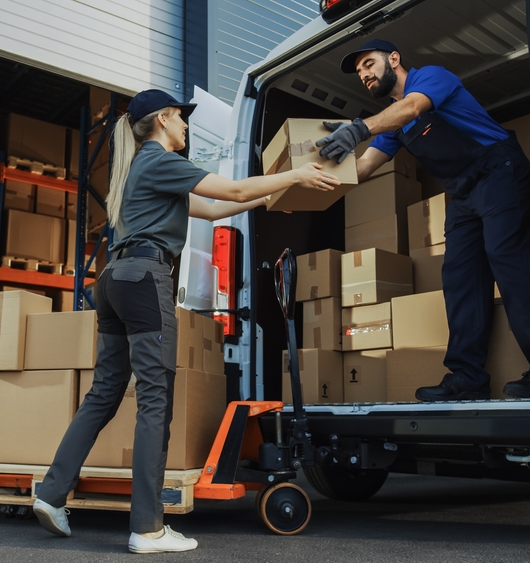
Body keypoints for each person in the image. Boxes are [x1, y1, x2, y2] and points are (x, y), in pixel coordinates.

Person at [32, 89, 339, 553]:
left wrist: (272, 193)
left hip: (114, 279)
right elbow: (231, 189)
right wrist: (295, 173)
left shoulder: (141, 170)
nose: (187, 127)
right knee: (155, 401)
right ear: (161, 120)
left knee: (104, 393)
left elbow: (216, 208)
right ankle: (147, 528)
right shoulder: (158, 160)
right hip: (143, 281)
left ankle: (51, 494)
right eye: (181, 119)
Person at [317, 39, 530, 402]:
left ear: (394, 59)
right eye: (359, 72)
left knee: (508, 259)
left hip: (498, 171)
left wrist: (358, 128)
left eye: (369, 64)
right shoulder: (391, 121)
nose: (364, 74)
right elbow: (365, 166)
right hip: (463, 192)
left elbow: (413, 108)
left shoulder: (429, 78)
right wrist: (309, 188)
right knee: (460, 277)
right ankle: (467, 377)